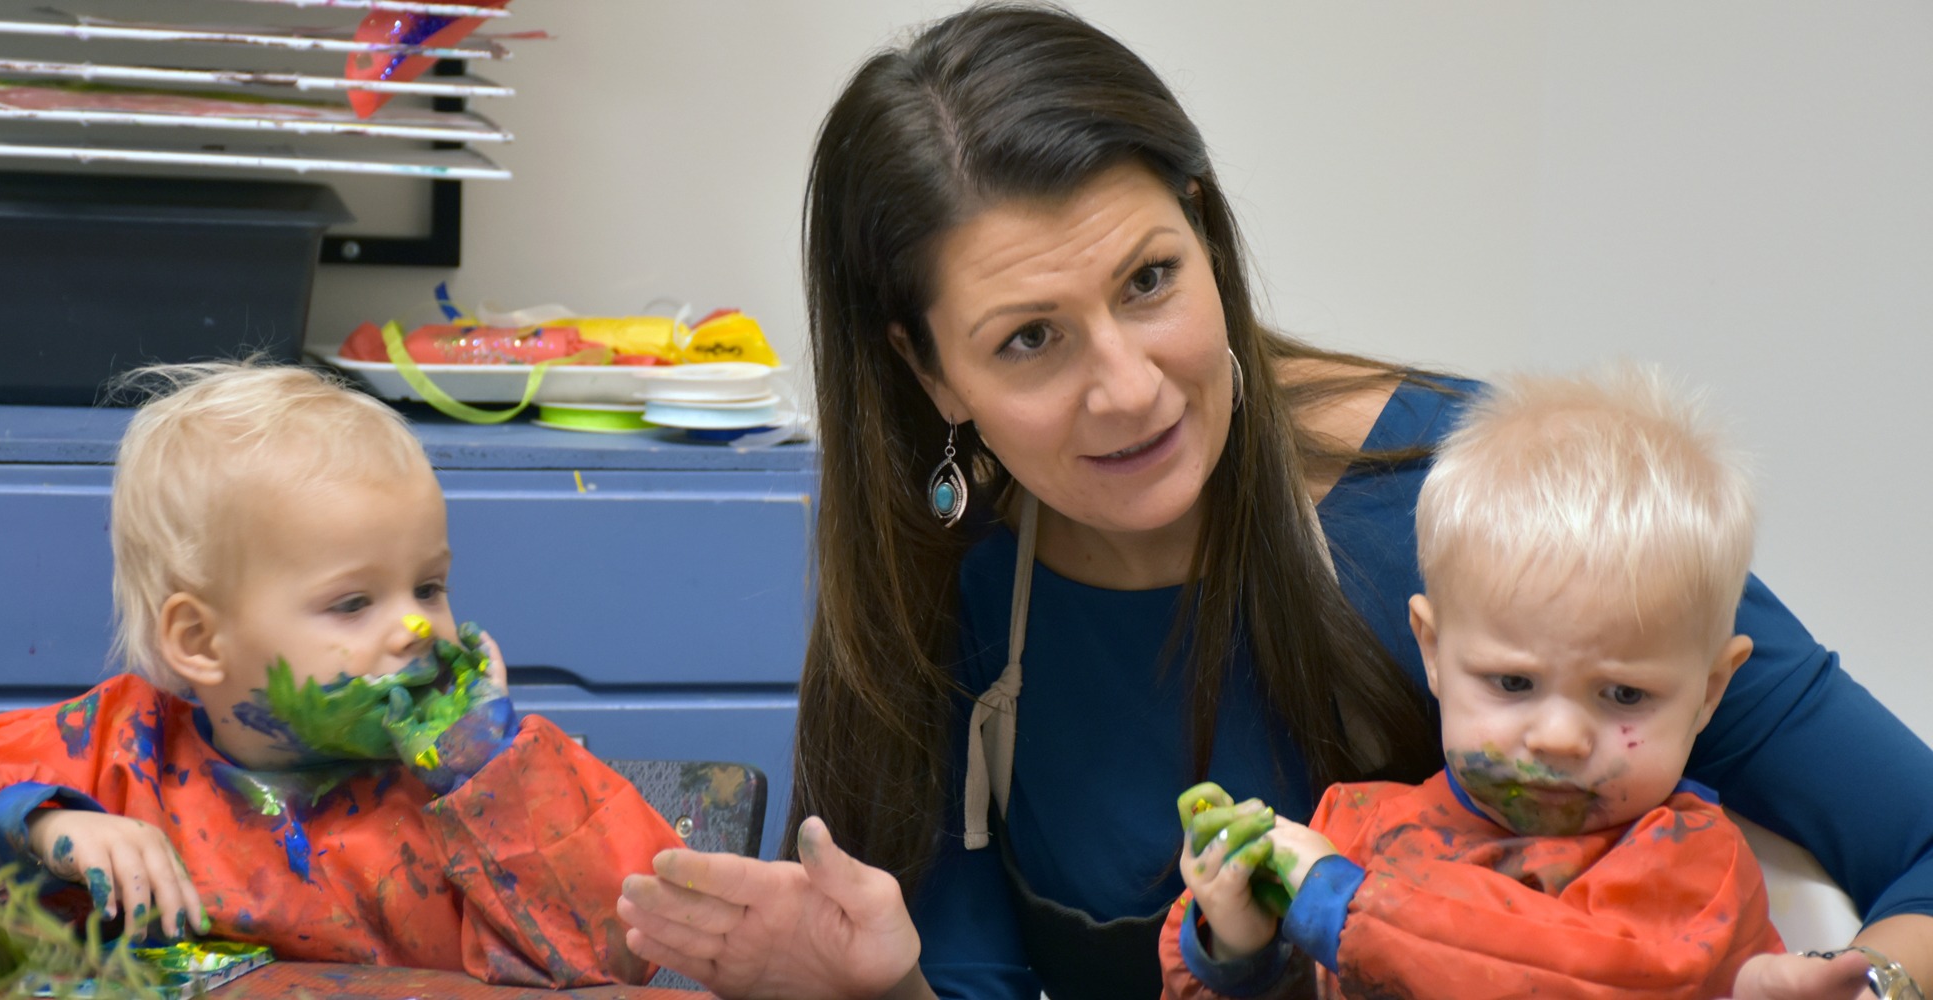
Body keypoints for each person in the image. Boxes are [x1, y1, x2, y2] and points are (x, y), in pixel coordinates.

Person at [616, 5, 1933, 999]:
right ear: (926, 369)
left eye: (1148, 281)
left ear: (1203, 227)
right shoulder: (939, 584)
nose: (1128, 390)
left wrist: (1859, 984)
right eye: (1030, 341)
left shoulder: (1474, 497)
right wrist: (878, 988)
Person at [0, 361, 680, 988]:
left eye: (429, 587)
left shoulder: (462, 786)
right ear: (200, 639)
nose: (416, 628)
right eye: (353, 602)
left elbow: (619, 952)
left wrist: (496, 774)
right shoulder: (112, 754)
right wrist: (34, 827)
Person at [1160, 367, 1853, 999]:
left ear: (1708, 692)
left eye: (1624, 696)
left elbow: (1567, 971)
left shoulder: (1691, 868)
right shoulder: (1353, 829)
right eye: (1514, 683)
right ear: (1432, 650)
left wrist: (1340, 904)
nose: (1558, 737)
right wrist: (1236, 945)